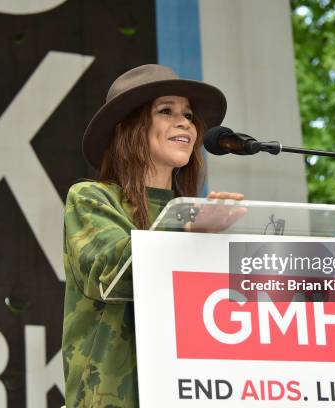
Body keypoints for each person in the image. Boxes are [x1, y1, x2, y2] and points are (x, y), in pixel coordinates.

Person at [62, 64, 244, 407]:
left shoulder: (196, 214)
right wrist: (187, 231)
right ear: (127, 128)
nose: (185, 123)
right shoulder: (91, 198)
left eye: (188, 115)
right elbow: (110, 273)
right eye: (166, 111)